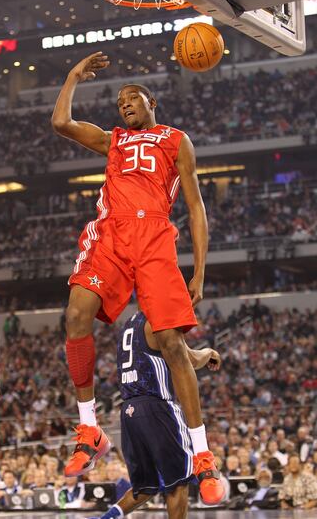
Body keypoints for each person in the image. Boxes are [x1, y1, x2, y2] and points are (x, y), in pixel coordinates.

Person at [52, 52, 223, 503]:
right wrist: (73, 77)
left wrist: (200, 269)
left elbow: (196, 207)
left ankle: (203, 456)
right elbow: (62, 124)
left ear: (152, 103)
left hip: (153, 237)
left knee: (171, 343)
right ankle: (89, 427)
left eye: (133, 97)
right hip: (111, 233)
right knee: (75, 316)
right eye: (120, 100)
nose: (124, 103)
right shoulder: (114, 140)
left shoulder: (175, 140)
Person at [90, 311, 222, 519]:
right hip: (157, 406)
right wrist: (209, 352)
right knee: (179, 482)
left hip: (129, 412)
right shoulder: (159, 319)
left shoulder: (129, 324)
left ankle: (105, 518)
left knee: (145, 487)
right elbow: (190, 359)